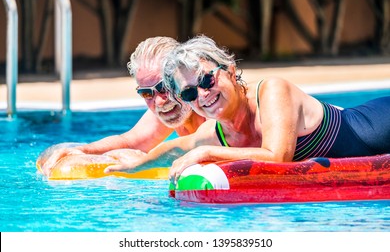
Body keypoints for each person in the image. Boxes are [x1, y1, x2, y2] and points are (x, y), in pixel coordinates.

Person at [104, 34, 390, 184]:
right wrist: (133, 167)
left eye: (206, 79)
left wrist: (205, 153)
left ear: (229, 68)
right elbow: (177, 147)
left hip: (379, 124)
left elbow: (277, 157)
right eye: (190, 92)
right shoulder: (216, 133)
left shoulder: (272, 91)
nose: (203, 94)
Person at [40, 36, 206, 175]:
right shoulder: (173, 106)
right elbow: (130, 141)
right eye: (147, 93)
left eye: (164, 87)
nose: (159, 102)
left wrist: (147, 160)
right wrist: (84, 150)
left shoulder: (211, 103)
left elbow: (201, 143)